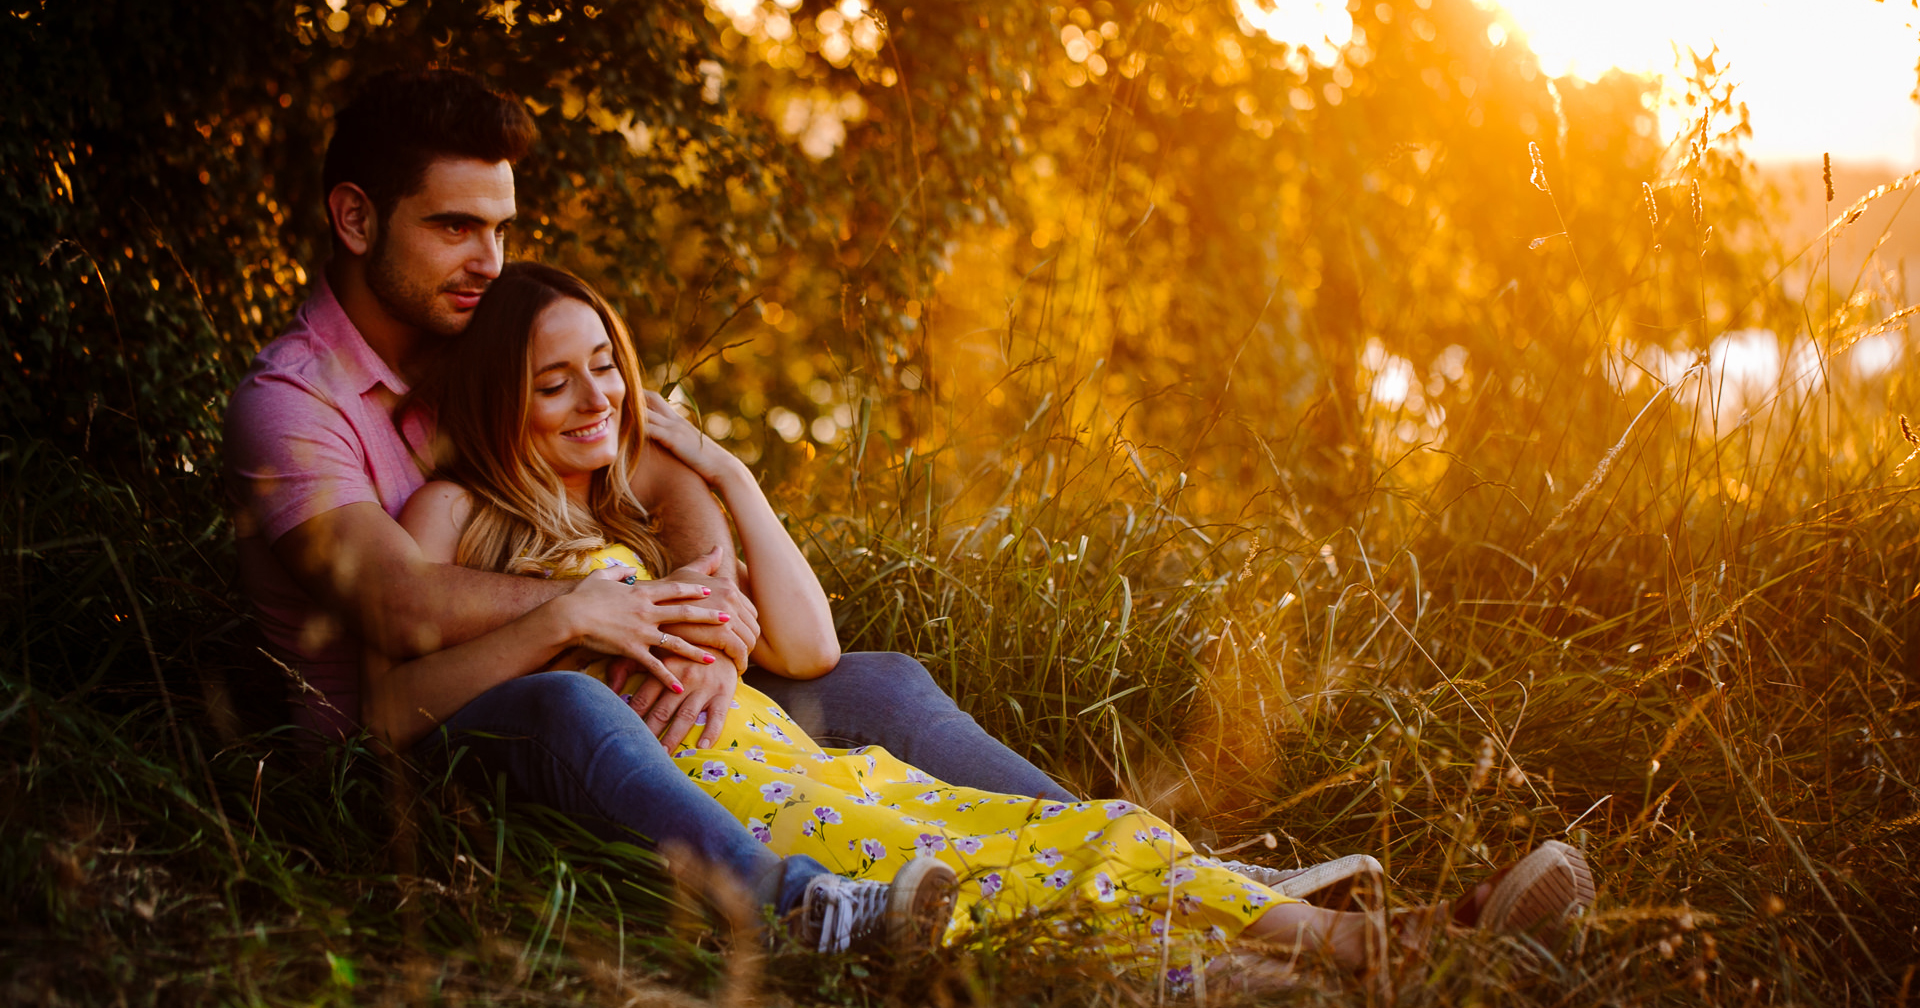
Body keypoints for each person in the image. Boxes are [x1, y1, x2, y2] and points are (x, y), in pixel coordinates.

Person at [368, 259, 1597, 972]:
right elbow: (391, 696)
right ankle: (1390, 951)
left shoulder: (641, 511)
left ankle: (1387, 944)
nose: (595, 397)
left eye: (606, 367)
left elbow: (813, 651)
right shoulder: (458, 517)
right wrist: (574, 616)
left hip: (805, 764)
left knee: (1074, 837)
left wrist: (733, 476)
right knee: (1032, 864)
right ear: (500, 400)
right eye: (554, 379)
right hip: (744, 803)